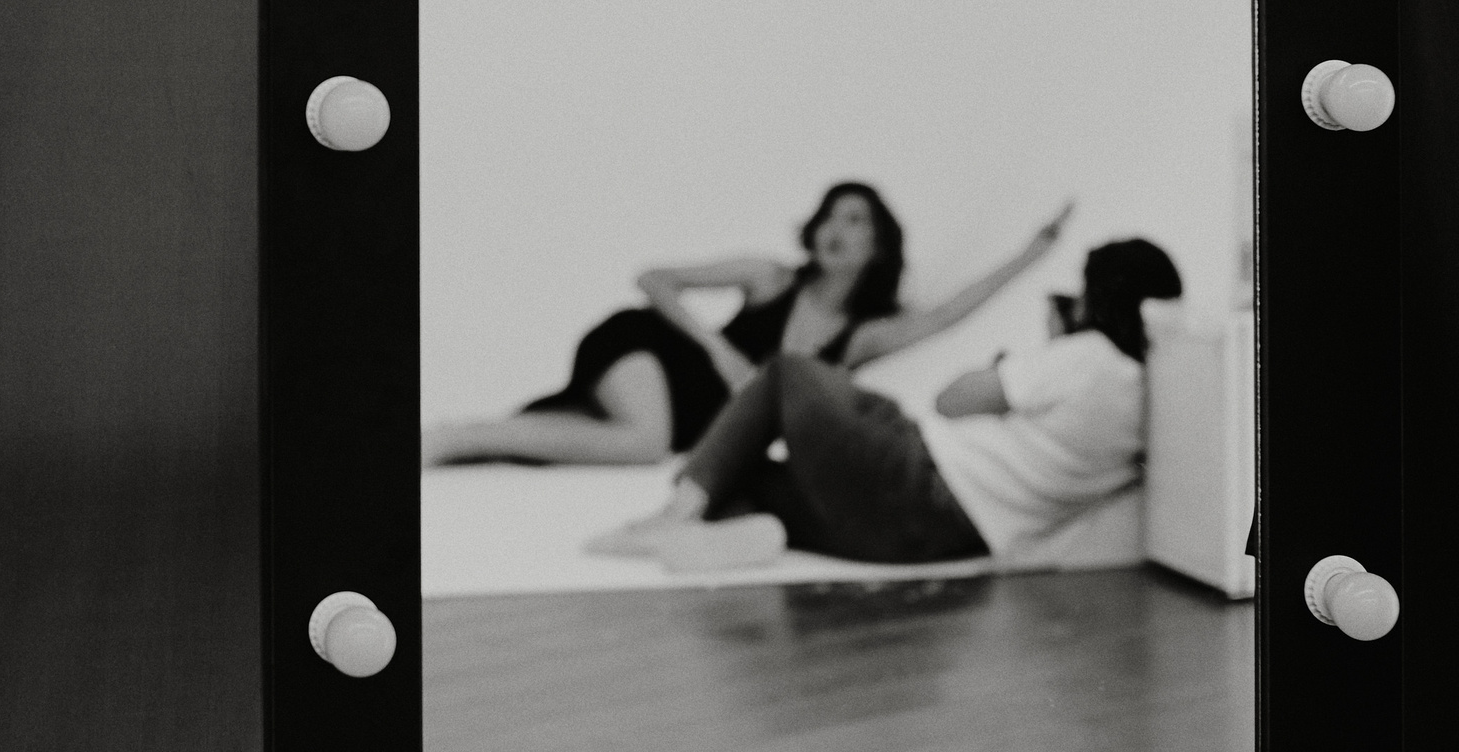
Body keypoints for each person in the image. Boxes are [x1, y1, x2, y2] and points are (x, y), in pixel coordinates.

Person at [592, 237, 1185, 571]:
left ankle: (672, 517)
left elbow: (953, 400)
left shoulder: (1092, 357)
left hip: (918, 474)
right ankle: (759, 531)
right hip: (937, 540)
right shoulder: (1152, 396)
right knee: (755, 474)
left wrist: (1024, 357)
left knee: (788, 374)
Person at [420, 187, 1073, 468]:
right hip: (648, 349)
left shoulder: (861, 336)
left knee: (628, 439)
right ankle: (450, 438)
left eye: (855, 220)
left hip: (687, 418)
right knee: (644, 442)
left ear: (878, 246)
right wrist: (717, 350)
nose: (836, 229)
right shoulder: (770, 276)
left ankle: (467, 441)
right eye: (830, 216)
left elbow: (948, 315)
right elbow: (654, 279)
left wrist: (1032, 252)